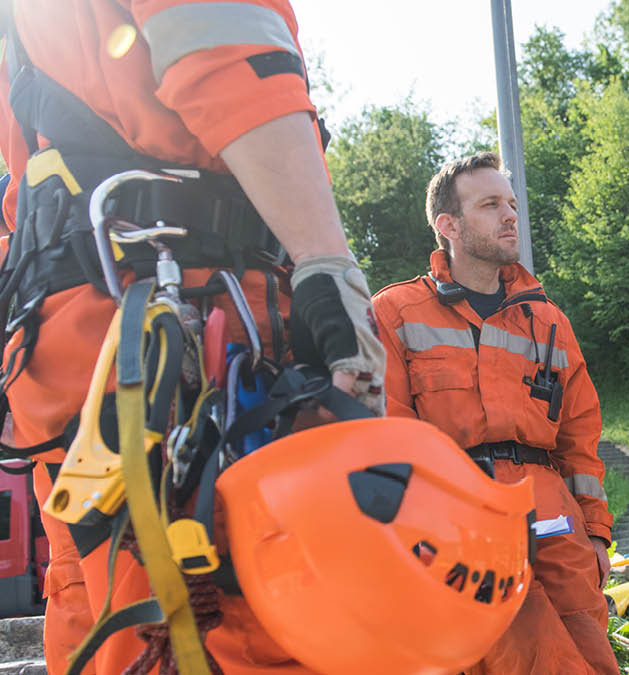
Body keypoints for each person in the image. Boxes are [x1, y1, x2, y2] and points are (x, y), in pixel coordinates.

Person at [0, 1, 385, 673]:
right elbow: (225, 51)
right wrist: (327, 267)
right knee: (237, 632)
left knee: (111, 633)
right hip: (184, 320)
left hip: (75, 352)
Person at [372, 152, 620, 675]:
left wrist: (595, 532)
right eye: (490, 205)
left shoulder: (548, 321)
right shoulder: (395, 312)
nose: (511, 215)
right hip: (455, 517)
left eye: (511, 203)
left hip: (555, 519)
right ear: (450, 225)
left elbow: (580, 437)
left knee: (590, 655)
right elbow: (386, 438)